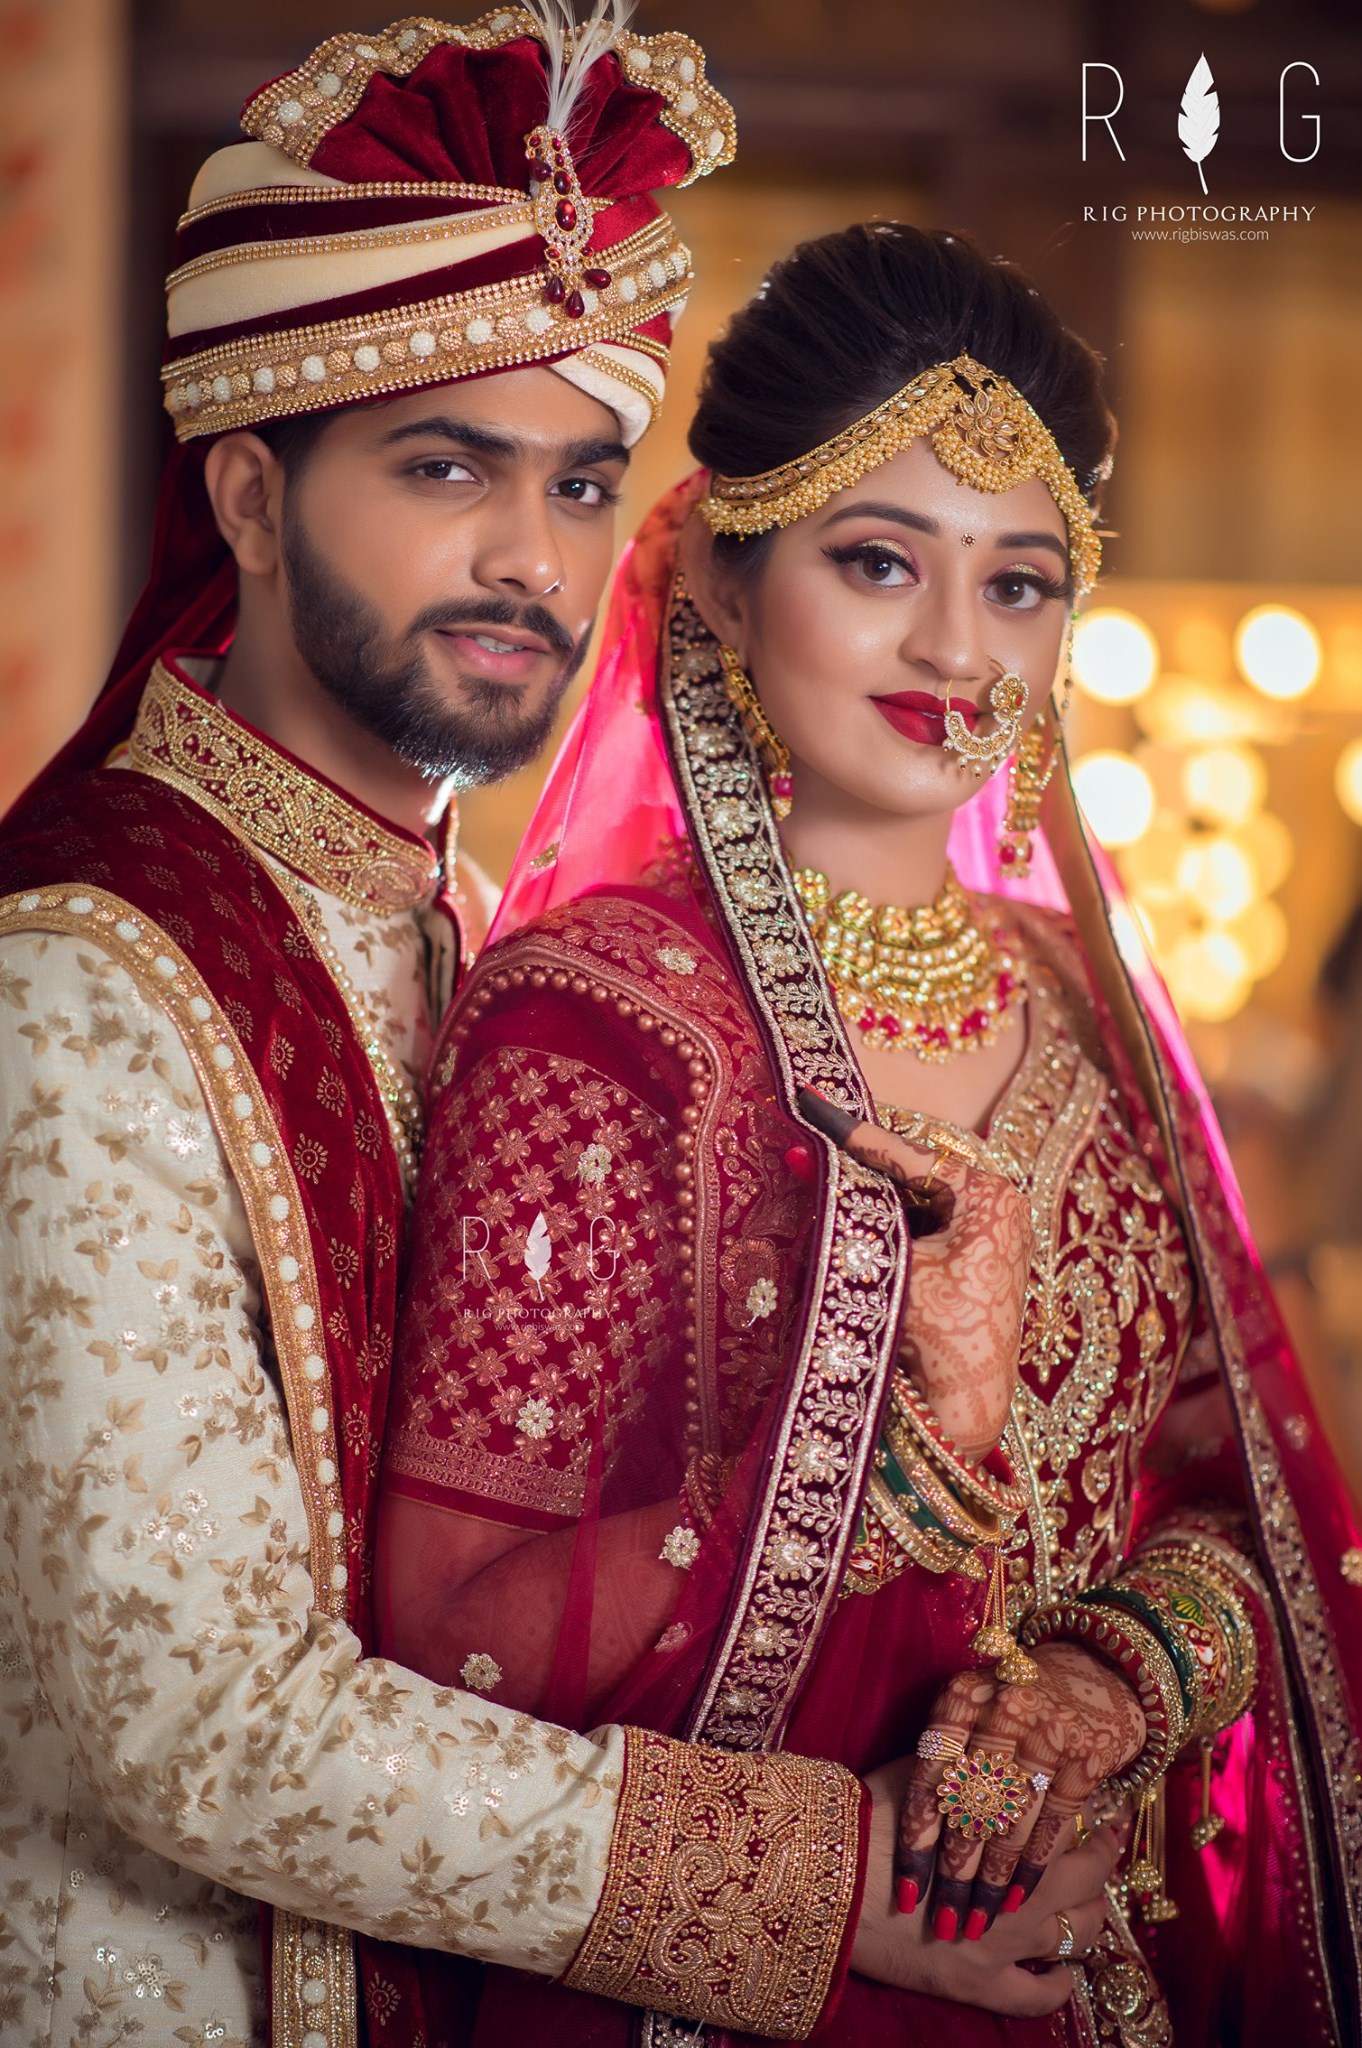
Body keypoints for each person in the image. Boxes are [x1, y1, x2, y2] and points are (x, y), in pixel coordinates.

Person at [0, 16, 929, 2046]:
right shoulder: (79, 977)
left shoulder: (464, 935)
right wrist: (820, 1875)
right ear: (247, 494)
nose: (534, 556)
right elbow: (199, 1718)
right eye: (446, 468)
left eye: (584, 480)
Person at [379, 221, 1362, 2046]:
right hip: (733, 1990)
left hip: (1094, 1986)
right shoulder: (594, 1028)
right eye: (876, 559)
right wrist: (893, 1471)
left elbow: (1235, 1512)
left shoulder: (1094, 1014)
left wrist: (1110, 1669)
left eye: (1018, 582)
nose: (954, 646)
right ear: (724, 588)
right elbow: (449, 1646)